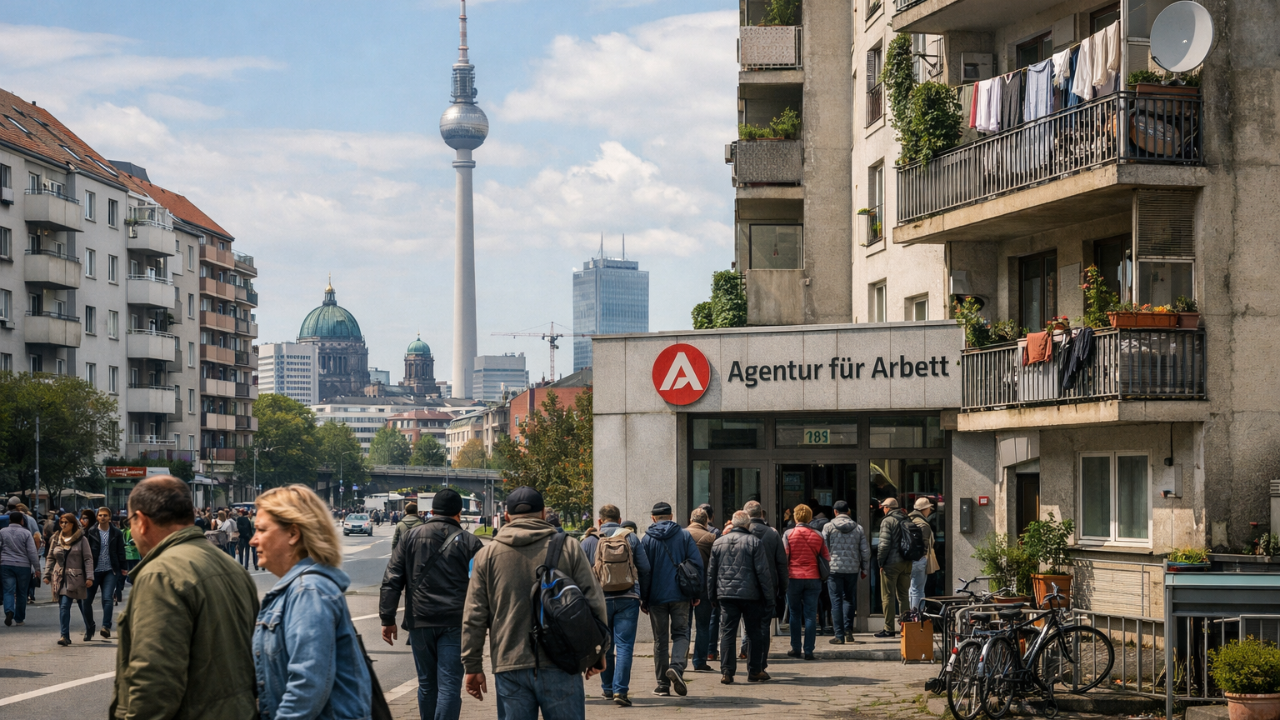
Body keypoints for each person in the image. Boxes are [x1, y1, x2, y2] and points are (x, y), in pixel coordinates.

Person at [109, 476, 259, 719]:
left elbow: (154, 682)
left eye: (130, 521)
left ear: (142, 522)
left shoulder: (160, 574)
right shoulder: (232, 567)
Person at [461, 487, 607, 720]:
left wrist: (472, 665)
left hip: (509, 663)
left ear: (507, 516)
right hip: (562, 661)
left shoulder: (486, 555)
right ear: (542, 513)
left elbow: (474, 615)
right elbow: (594, 601)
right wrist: (598, 651)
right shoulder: (569, 547)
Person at [251, 485, 372, 720]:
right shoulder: (299, 589)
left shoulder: (308, 591)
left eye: (261, 530)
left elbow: (307, 686)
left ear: (293, 534)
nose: (253, 540)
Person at [381, 489, 484, 720]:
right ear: (459, 512)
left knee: (427, 684)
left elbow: (392, 578)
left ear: (432, 511)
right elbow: (481, 588)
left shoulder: (410, 537)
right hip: (456, 622)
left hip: (420, 620)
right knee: (449, 686)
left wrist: (387, 619)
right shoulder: (471, 542)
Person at [581, 503, 652, 707]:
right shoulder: (630, 537)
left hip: (599, 601)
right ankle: (621, 691)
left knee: (605, 646)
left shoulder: (589, 541)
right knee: (625, 646)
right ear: (620, 520)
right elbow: (645, 568)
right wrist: (643, 598)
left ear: (599, 521)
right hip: (628, 598)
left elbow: (580, 575)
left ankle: (607, 689)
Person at [639, 501, 703, 698]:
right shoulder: (684, 535)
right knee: (682, 633)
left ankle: (662, 685)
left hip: (657, 597)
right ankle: (676, 666)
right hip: (681, 594)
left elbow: (644, 571)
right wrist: (695, 593)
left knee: (660, 639)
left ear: (653, 518)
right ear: (672, 516)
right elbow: (696, 564)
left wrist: (645, 598)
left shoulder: (647, 539)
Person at [707, 511, 774, 685]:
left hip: (726, 594)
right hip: (751, 595)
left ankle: (727, 672)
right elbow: (763, 572)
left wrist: (712, 595)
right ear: (747, 525)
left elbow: (711, 572)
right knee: (753, 632)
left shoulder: (718, 542)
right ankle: (754, 670)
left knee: (727, 632)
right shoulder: (754, 542)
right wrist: (769, 597)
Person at [743, 500, 787, 673]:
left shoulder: (741, 532)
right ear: (761, 514)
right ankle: (761, 663)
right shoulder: (772, 534)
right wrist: (783, 588)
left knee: (748, 626)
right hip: (768, 586)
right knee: (763, 627)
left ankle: (745, 661)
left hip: (745, 586)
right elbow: (781, 564)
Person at [782, 505, 829, 660]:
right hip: (813, 577)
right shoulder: (818, 535)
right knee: (810, 615)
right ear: (810, 517)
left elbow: (784, 556)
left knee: (794, 614)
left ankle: (795, 648)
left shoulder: (789, 534)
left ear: (796, 517)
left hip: (793, 577)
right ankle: (809, 650)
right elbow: (826, 557)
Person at [822, 500, 869, 645]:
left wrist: (824, 567)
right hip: (852, 568)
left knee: (836, 601)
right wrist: (864, 568)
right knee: (849, 599)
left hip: (834, 568)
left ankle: (839, 635)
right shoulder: (858, 528)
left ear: (835, 512)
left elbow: (823, 548)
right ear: (848, 511)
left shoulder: (828, 527)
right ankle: (849, 631)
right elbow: (865, 551)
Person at [43, 513, 94, 645]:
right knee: (64, 606)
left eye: (66, 522)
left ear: (73, 524)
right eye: (62, 522)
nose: (64, 525)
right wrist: (47, 575)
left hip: (77, 578)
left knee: (83, 606)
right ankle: (64, 636)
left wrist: (89, 577)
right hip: (60, 578)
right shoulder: (56, 539)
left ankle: (90, 627)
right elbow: (50, 558)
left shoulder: (82, 540)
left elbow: (88, 559)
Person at [81, 507, 126, 640]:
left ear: (110, 517)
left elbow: (120, 551)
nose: (102, 517)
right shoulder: (90, 532)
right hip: (93, 571)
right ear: (97, 517)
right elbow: (84, 552)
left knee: (107, 598)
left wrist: (123, 567)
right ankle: (90, 627)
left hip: (110, 570)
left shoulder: (116, 533)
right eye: (100, 515)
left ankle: (106, 626)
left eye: (105, 515)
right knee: (86, 601)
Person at [685, 508, 716, 673]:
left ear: (691, 520)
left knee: (684, 626)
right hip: (704, 587)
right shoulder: (711, 537)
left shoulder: (682, 535)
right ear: (706, 521)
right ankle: (699, 661)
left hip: (684, 587)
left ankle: (680, 661)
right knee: (703, 626)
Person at [876, 497, 912, 638]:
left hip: (891, 564)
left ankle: (889, 628)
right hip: (907, 562)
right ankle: (906, 627)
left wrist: (881, 562)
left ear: (887, 508)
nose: (883, 510)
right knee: (903, 596)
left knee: (888, 596)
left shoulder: (887, 521)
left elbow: (884, 545)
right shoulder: (906, 518)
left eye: (883, 507)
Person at [1, 510, 40, 626]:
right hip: (23, 566)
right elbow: (32, 552)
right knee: (22, 593)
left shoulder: (2, 532)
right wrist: (37, 568)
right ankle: (19, 619)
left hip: (5, 565)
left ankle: (9, 611)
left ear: (9, 520)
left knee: (8, 590)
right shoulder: (26, 533)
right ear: (22, 521)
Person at [908, 497, 937, 611]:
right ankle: (917, 616)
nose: (930, 511)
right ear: (924, 509)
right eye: (929, 508)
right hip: (919, 560)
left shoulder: (908, 519)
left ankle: (912, 613)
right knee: (918, 590)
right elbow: (925, 545)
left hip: (908, 559)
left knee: (912, 589)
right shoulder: (923, 524)